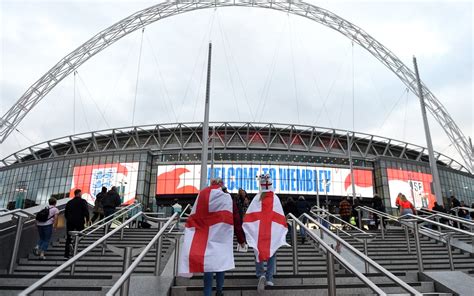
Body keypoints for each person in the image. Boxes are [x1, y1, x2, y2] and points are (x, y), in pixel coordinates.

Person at [178, 178, 245, 296]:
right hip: (221, 237)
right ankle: (219, 291)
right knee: (220, 264)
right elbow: (236, 219)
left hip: (205, 235)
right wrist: (241, 239)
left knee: (208, 266)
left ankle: (207, 293)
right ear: (221, 185)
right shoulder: (227, 198)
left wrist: (191, 230)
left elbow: (194, 214)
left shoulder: (202, 195)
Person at [243, 174, 288, 292]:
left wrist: (248, 228)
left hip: (258, 232)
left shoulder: (257, 198)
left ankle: (260, 274)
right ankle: (269, 278)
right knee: (271, 253)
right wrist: (282, 228)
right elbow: (280, 217)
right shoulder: (276, 198)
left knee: (258, 252)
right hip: (271, 232)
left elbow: (249, 215)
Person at [64, 189, 90, 258]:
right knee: (81, 234)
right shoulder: (83, 201)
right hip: (79, 221)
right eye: (81, 193)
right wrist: (87, 220)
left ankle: (66, 255)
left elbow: (66, 213)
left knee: (68, 237)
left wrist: (68, 219)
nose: (81, 194)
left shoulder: (69, 202)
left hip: (70, 222)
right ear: (78, 194)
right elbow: (86, 211)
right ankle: (73, 244)